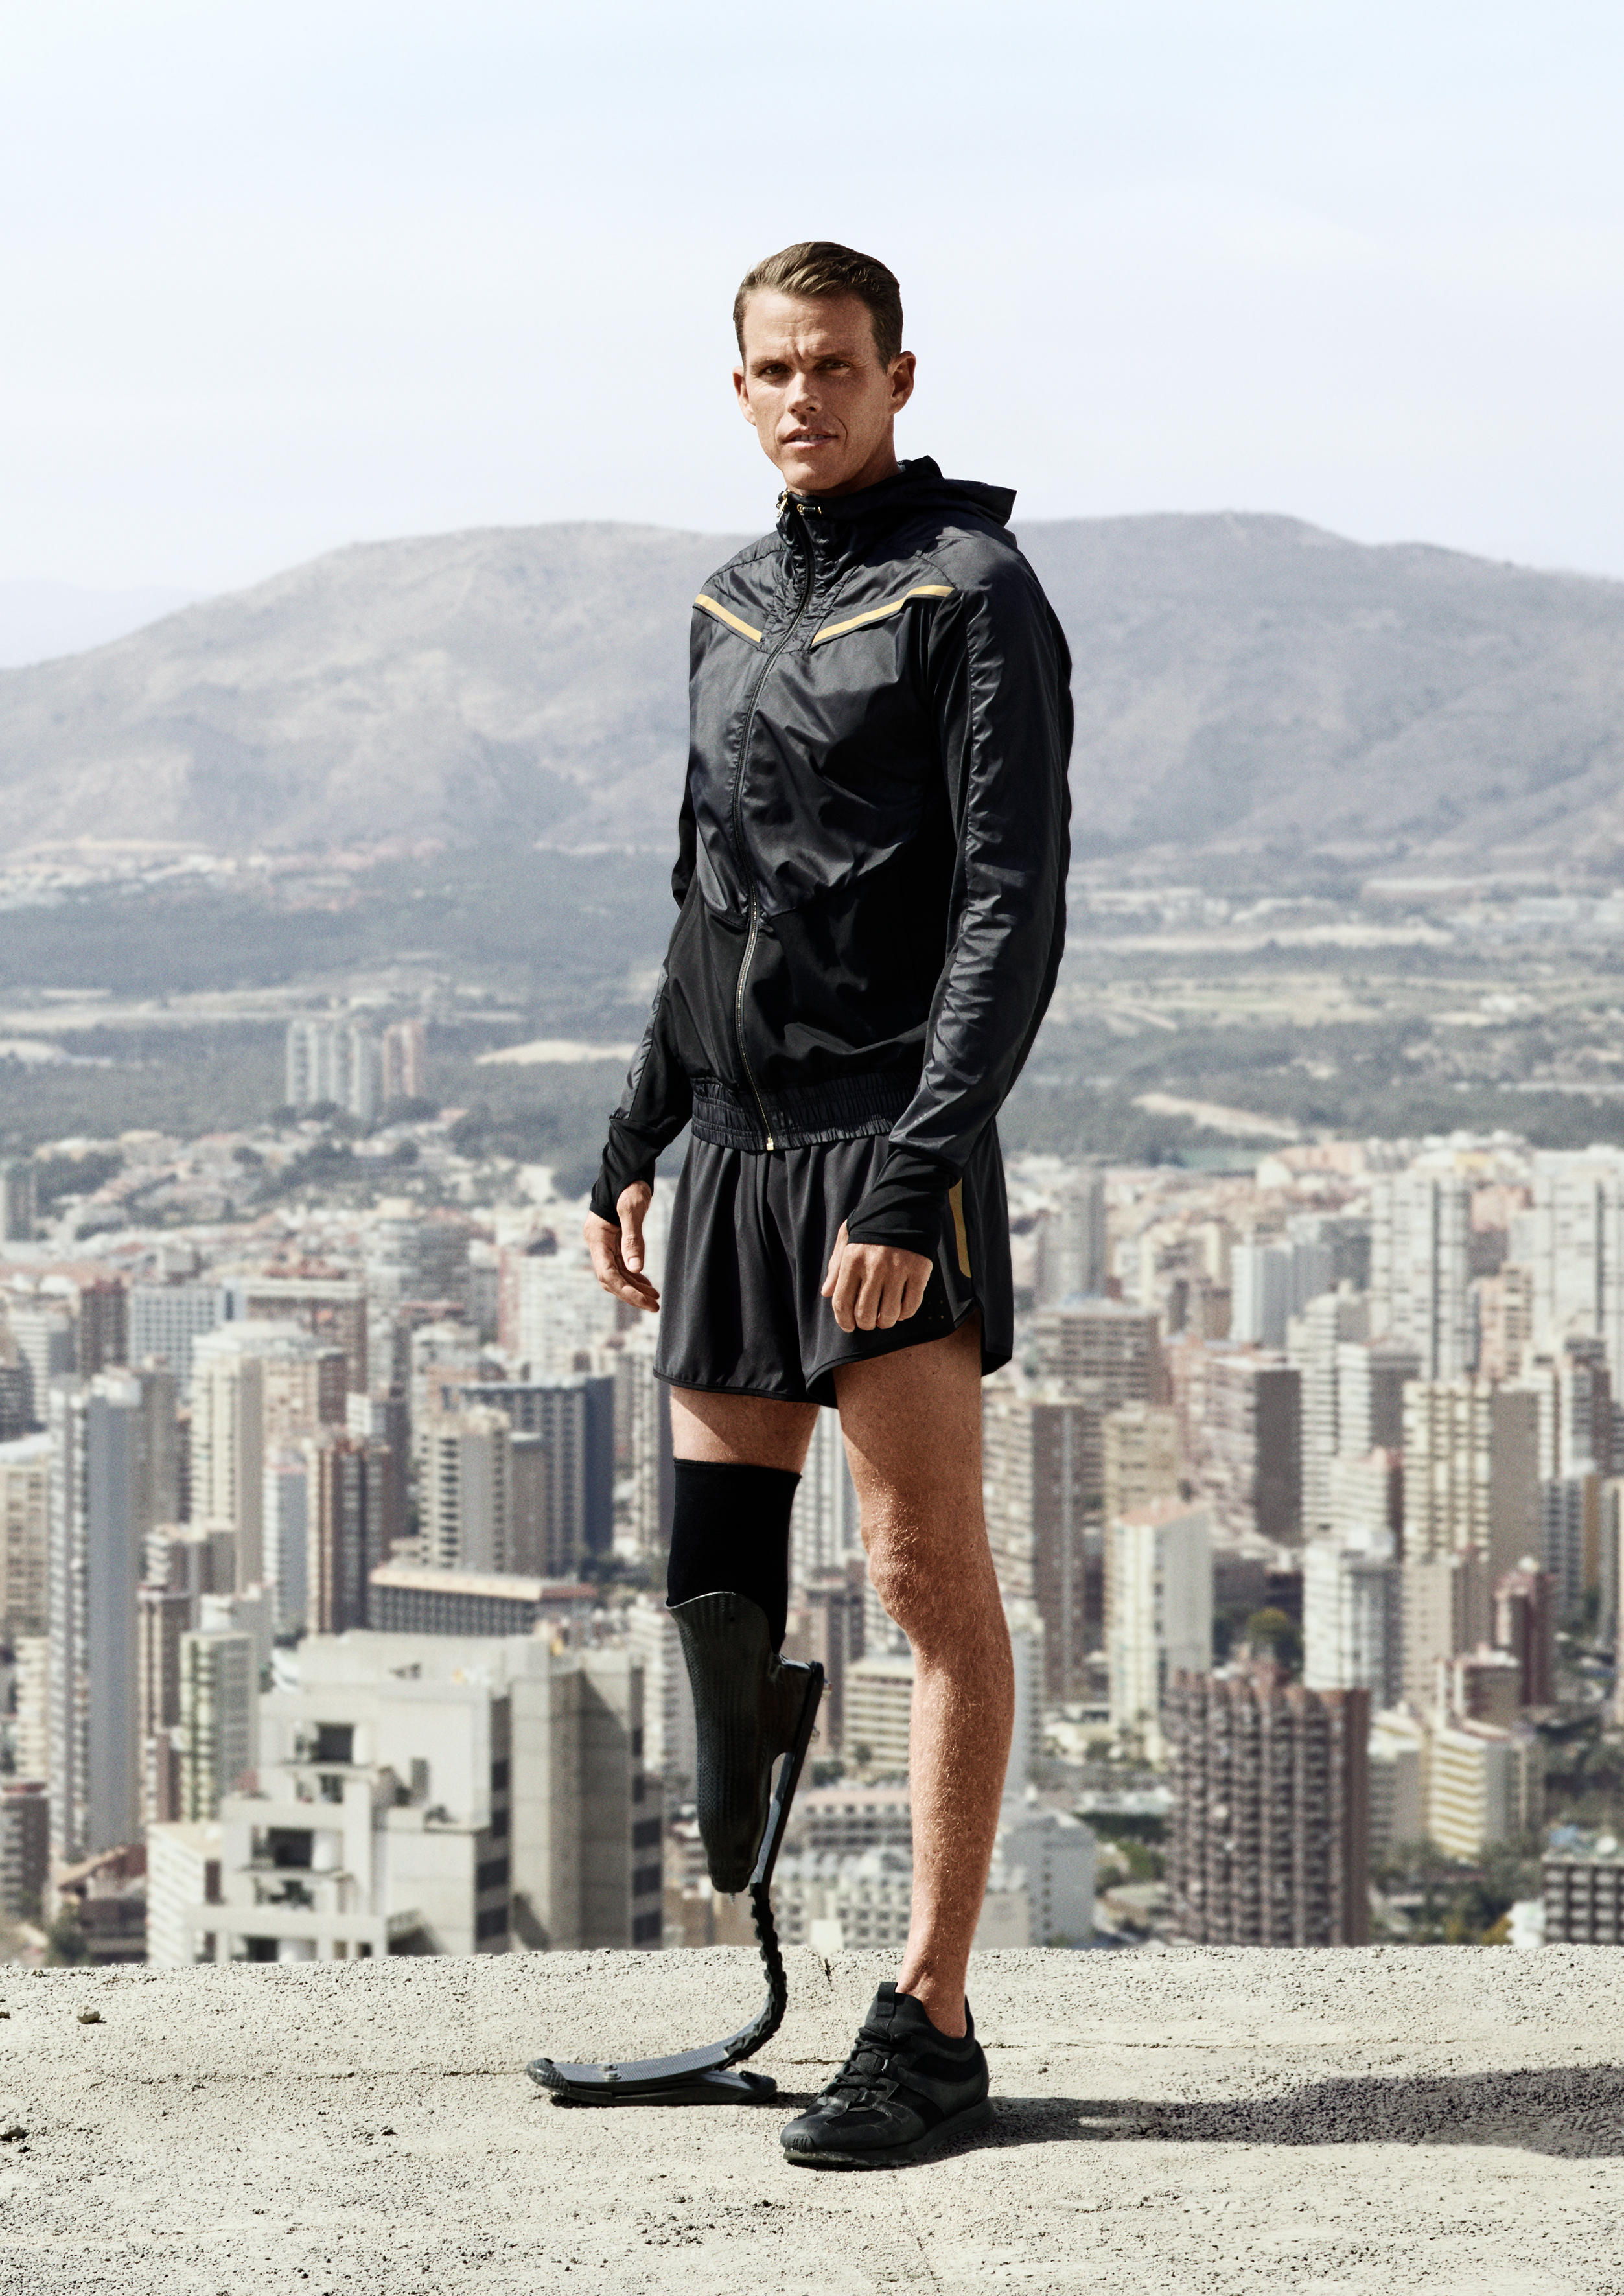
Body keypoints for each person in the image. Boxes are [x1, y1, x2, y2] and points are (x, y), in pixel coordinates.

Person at [585, 240, 1072, 2167]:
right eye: (776, 370)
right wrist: (633, 1136)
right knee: (717, 1590)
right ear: (742, 388)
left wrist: (917, 1171)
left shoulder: (971, 591)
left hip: (884, 1151)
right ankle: (766, 1962)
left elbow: (1009, 909)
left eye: (837, 366)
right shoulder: (726, 603)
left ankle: (930, 2020)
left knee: (925, 1584)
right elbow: (703, 900)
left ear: (896, 379)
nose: (806, 396)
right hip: (729, 1149)